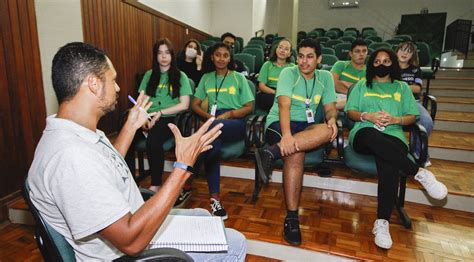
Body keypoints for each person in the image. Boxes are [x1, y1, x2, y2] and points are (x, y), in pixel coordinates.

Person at [27, 42, 246, 261]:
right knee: (235, 242)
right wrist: (182, 167)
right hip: (127, 249)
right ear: (93, 84)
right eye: (113, 80)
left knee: (203, 216)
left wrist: (131, 126)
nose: (119, 88)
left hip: (133, 221)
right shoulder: (71, 157)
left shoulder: (74, 131)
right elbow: (131, 242)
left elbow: (106, 165)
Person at [344, 48, 447, 250]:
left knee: (388, 161)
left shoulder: (401, 88)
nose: (381, 65)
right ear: (371, 64)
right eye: (377, 61)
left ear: (393, 64)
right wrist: (369, 116)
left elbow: (412, 116)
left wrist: (395, 119)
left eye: (386, 61)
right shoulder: (362, 85)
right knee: (375, 138)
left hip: (394, 135)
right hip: (365, 133)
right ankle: (417, 172)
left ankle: (382, 223)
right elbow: (350, 111)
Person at [254, 39, 338, 246]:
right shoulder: (288, 73)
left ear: (319, 59)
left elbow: (329, 107)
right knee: (294, 153)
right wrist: (287, 136)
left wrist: (333, 119)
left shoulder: (325, 77)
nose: (304, 61)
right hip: (279, 123)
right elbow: (284, 106)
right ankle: (292, 218)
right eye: (300, 56)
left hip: (307, 126)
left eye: (310, 56)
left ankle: (271, 153)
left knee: (328, 130)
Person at [192, 42, 255, 220]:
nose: (221, 58)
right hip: (213, 122)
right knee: (213, 146)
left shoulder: (239, 78)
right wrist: (208, 117)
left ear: (230, 58)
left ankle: (187, 177)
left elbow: (249, 107)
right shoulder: (206, 77)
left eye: (225, 55)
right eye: (217, 55)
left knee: (211, 133)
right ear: (212, 57)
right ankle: (215, 198)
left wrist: (229, 114)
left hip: (235, 122)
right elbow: (194, 104)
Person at [133, 38, 194, 208]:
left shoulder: (180, 76)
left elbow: (184, 105)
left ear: (172, 55)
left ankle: (156, 183)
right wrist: (144, 116)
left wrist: (159, 113)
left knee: (153, 139)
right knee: (127, 131)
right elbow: (142, 100)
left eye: (167, 52)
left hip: (168, 116)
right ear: (155, 56)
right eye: (159, 53)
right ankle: (129, 179)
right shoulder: (148, 75)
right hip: (148, 114)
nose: (163, 56)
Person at [396, 41, 434, 167]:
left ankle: (417, 153)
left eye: (409, 51)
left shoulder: (415, 70)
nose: (404, 53)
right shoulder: (390, 67)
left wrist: (399, 85)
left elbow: (417, 89)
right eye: (402, 49)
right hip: (393, 101)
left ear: (412, 55)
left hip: (412, 102)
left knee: (427, 122)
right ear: (397, 51)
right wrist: (407, 86)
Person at [256, 38, 294, 111]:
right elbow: (261, 86)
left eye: (286, 49)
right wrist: (275, 92)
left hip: (286, 93)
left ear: (289, 53)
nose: (282, 50)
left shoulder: (293, 67)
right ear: (276, 50)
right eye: (280, 47)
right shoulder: (267, 65)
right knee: (268, 99)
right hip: (270, 92)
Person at [331, 38, 368, 110]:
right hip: (338, 97)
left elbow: (367, 91)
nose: (361, 54)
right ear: (351, 53)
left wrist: (344, 83)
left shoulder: (370, 71)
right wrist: (354, 91)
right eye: (357, 51)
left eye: (364, 51)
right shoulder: (340, 64)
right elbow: (333, 83)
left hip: (359, 101)